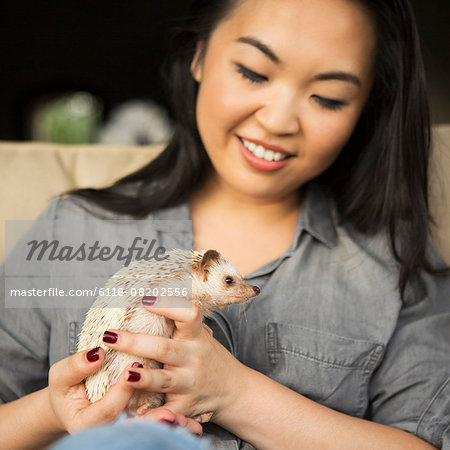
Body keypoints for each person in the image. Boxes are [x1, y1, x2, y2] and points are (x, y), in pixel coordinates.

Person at [1, 0, 449, 448]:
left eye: (328, 98)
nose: (277, 121)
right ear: (198, 55)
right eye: (253, 73)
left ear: (368, 105)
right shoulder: (74, 229)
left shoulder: (398, 266)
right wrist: (53, 411)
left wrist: (236, 393)